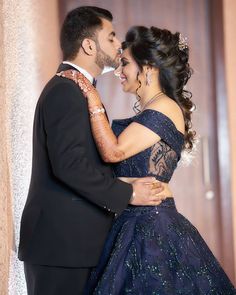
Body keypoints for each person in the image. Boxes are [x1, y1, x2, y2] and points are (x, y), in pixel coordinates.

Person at [59, 26, 236, 294]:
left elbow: (114, 152)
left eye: (125, 64)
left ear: (149, 67)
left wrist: (91, 95)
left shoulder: (164, 105)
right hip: (132, 221)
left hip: (151, 227)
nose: (119, 71)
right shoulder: (155, 108)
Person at [18, 8, 166, 295]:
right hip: (60, 247)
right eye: (111, 38)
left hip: (72, 245)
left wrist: (124, 182)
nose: (118, 45)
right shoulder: (66, 90)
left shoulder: (78, 89)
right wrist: (129, 194)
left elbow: (82, 162)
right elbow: (70, 166)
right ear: (88, 45)